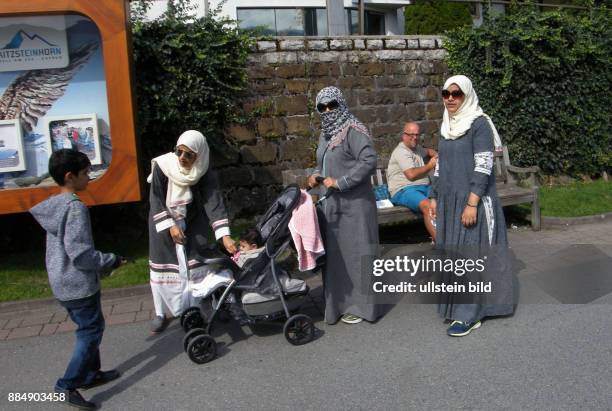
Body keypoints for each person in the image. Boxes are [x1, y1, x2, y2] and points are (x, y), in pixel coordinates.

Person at [30, 149, 126, 410]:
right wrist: (111, 260)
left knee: (91, 327)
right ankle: (67, 384)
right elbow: (81, 255)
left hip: (62, 282)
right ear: (70, 176)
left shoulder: (55, 205)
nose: (89, 178)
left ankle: (90, 374)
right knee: (90, 331)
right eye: (85, 174)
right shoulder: (74, 209)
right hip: (78, 285)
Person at [429, 75, 514, 337]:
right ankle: (462, 307)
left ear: (467, 95)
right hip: (450, 201)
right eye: (446, 93)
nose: (451, 98)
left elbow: (484, 165)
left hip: (472, 201)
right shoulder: (447, 125)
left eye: (457, 94)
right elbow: (441, 164)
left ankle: (469, 314)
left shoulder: (479, 124)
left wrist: (472, 203)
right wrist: (434, 195)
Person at [148, 130, 236, 333]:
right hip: (164, 221)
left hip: (193, 219)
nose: (182, 158)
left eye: (189, 155)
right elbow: (156, 199)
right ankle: (161, 313)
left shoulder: (204, 170)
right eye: (180, 152)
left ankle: (208, 306)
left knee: (200, 260)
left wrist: (224, 235)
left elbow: (213, 201)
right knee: (164, 265)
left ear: (200, 155)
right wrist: (170, 225)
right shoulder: (163, 166)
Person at [308, 86, 382, 325]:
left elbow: (369, 161)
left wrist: (341, 182)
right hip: (332, 207)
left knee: (357, 254)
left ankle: (362, 308)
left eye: (332, 105)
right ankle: (338, 304)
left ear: (341, 104)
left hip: (355, 206)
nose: (328, 111)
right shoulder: (326, 134)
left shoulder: (354, 129)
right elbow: (324, 162)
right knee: (337, 257)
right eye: (322, 107)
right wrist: (315, 174)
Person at [386, 122, 438, 241]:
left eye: (417, 135)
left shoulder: (417, 148)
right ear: (404, 135)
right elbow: (411, 175)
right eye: (411, 135)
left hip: (423, 188)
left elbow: (428, 151)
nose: (415, 137)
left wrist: (436, 155)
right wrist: (430, 166)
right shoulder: (401, 151)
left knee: (446, 199)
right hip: (404, 190)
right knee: (428, 206)